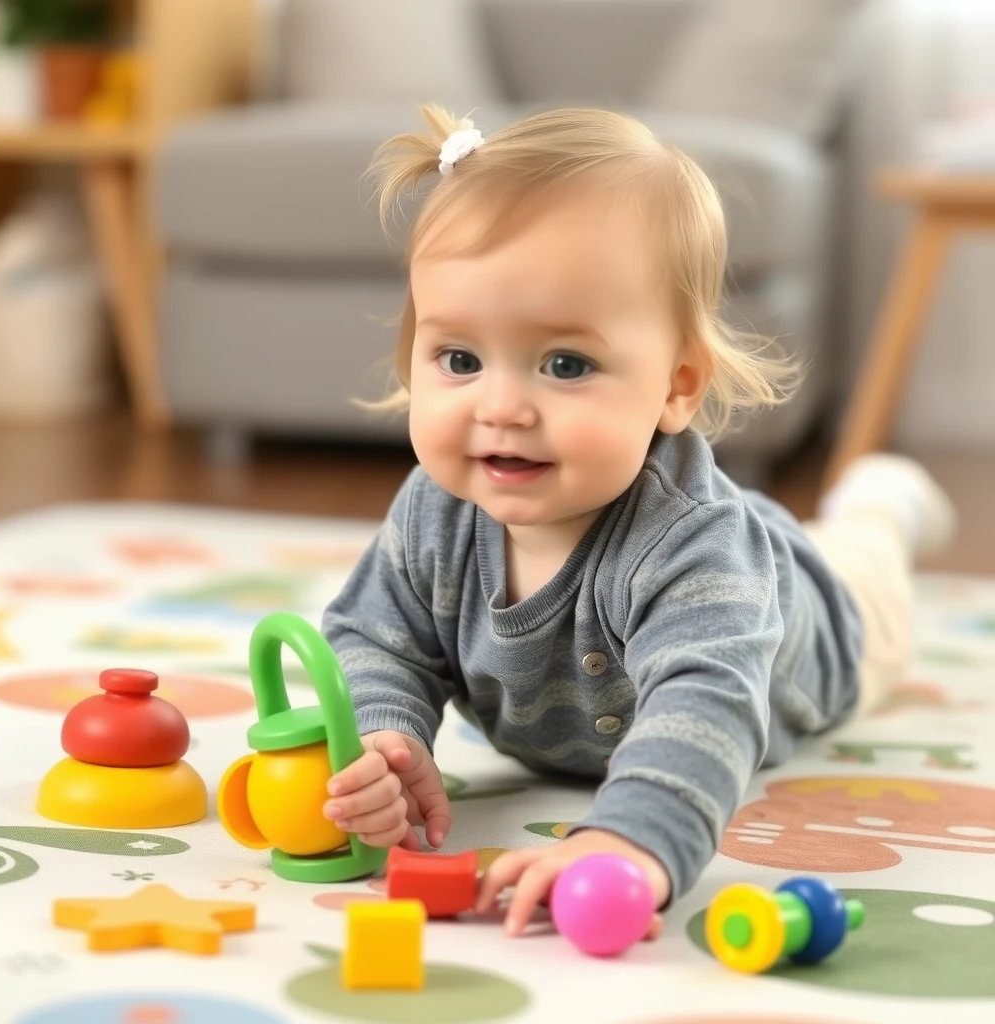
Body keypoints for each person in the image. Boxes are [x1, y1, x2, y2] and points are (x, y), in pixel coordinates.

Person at [317, 104, 956, 935]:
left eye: (565, 363)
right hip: (722, 543)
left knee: (863, 563)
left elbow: (707, 703)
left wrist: (627, 841)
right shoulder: (434, 515)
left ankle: (884, 502)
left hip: (825, 628)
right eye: (461, 359)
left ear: (677, 385)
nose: (502, 406)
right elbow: (377, 637)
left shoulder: (693, 551)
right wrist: (386, 743)